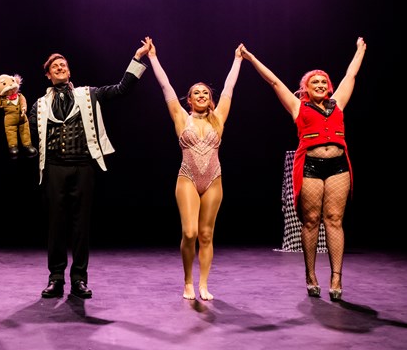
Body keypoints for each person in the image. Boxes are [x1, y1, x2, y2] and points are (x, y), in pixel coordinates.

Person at [240, 37, 366, 301]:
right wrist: (251, 59)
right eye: (315, 82)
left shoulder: (338, 103)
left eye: (324, 82)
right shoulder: (298, 106)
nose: (320, 85)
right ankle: (310, 275)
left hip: (338, 165)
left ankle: (336, 277)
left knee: (334, 220)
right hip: (309, 164)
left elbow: (351, 75)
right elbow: (274, 81)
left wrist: (359, 51)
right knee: (310, 221)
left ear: (329, 87)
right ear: (306, 87)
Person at [28, 39, 151, 299]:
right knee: (56, 225)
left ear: (69, 71)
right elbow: (24, 132)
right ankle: (56, 277)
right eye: (55, 66)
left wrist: (138, 59)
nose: (60, 67)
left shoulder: (88, 94)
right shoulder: (38, 105)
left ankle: (79, 279)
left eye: (64, 65)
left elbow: (120, 90)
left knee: (80, 225)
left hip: (83, 166)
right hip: (54, 168)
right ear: (48, 75)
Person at [145, 37, 243, 300]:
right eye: (196, 93)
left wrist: (237, 60)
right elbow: (165, 86)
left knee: (206, 234)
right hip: (187, 177)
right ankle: (188, 281)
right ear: (188, 100)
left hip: (213, 178)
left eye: (205, 93)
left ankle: (203, 284)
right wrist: (153, 57)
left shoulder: (219, 117)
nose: (201, 95)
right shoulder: (180, 117)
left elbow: (229, 88)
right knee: (189, 232)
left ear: (210, 99)